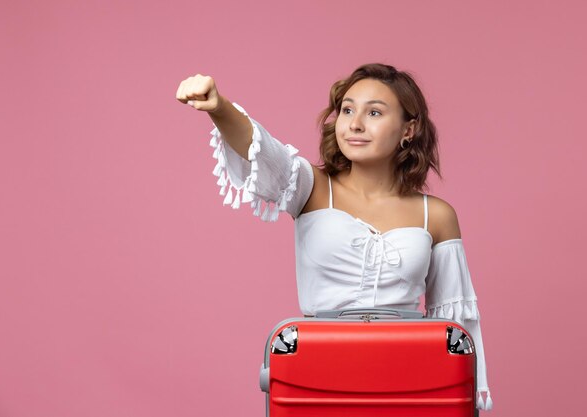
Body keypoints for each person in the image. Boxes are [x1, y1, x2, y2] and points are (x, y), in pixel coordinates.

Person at [175, 63, 493, 411]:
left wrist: (466, 401)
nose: (355, 124)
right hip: (318, 375)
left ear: (409, 128)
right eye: (347, 110)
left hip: (408, 381)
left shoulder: (438, 215)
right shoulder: (311, 187)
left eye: (374, 112)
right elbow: (263, 150)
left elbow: (455, 330)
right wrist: (220, 108)